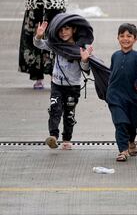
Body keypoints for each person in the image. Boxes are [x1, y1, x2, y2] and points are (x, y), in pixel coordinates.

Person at [33, 13, 93, 150]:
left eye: (66, 29)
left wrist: (84, 60)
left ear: (74, 30)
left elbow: (85, 69)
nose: (63, 32)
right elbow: (38, 44)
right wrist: (39, 35)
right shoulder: (55, 45)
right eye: (60, 30)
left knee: (69, 114)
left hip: (73, 87)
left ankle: (67, 139)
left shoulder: (80, 49)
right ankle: (53, 136)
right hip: (57, 85)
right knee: (55, 109)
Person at [106, 23, 137, 162]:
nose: (125, 39)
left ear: (135, 39)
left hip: (131, 97)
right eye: (122, 36)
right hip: (115, 96)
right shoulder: (115, 56)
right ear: (117, 38)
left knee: (132, 124)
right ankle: (123, 150)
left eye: (129, 36)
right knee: (120, 122)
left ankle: (131, 141)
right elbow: (110, 73)